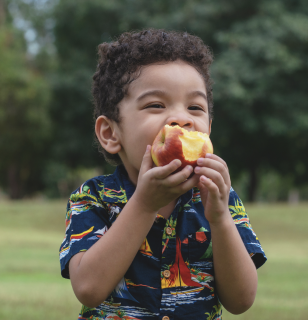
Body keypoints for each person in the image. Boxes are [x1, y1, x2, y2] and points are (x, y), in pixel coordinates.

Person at [59, 29, 266, 320]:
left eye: (195, 107)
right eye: (156, 105)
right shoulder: (95, 198)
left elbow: (241, 300)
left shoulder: (221, 200)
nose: (182, 118)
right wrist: (145, 204)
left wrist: (219, 218)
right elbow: (89, 288)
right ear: (110, 133)